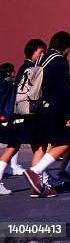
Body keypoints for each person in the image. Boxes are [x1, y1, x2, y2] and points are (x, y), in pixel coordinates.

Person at [22, 31, 70, 197]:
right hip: (52, 110)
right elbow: (64, 90)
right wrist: (68, 115)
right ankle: (35, 171)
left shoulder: (41, 59)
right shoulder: (59, 60)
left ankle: (38, 187)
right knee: (66, 141)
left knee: (43, 147)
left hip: (37, 108)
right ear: (66, 47)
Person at [0, 39, 48, 186]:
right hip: (28, 114)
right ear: (34, 51)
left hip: (17, 114)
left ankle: (42, 180)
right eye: (41, 52)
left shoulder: (22, 68)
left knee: (14, 147)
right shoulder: (32, 69)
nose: (42, 55)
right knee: (39, 146)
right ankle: (40, 181)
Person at [0, 63, 16, 195]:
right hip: (5, 119)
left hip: (3, 117)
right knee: (13, 145)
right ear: (9, 73)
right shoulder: (9, 85)